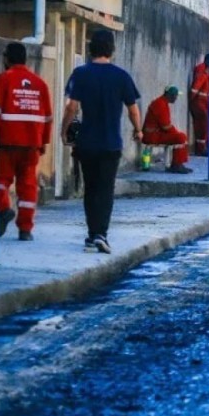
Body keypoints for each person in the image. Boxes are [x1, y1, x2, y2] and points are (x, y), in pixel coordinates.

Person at [60, 29, 143, 255]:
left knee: (90, 188)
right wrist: (138, 130)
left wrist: (64, 128)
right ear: (112, 50)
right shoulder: (121, 76)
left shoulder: (81, 73)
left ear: (90, 48)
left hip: (86, 143)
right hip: (111, 144)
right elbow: (133, 110)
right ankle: (101, 234)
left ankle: (91, 234)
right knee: (105, 190)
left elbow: (71, 107)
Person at [0, 42, 52, 241]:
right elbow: (48, 118)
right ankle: (25, 230)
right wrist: (43, 142)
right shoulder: (40, 83)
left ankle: (3, 209)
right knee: (28, 187)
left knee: (0, 181)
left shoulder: (3, 80)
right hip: (32, 145)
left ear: (7, 59)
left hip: (8, 143)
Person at [143, 86, 193, 174]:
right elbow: (166, 126)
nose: (176, 98)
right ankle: (177, 165)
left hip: (155, 133)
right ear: (171, 95)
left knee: (180, 136)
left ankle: (178, 164)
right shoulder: (160, 104)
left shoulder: (161, 102)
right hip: (152, 136)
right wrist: (177, 135)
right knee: (181, 137)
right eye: (176, 96)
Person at [189, 53, 209, 156]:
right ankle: (201, 148)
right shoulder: (203, 72)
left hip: (202, 103)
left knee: (201, 126)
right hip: (199, 103)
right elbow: (196, 87)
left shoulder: (203, 70)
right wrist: (191, 99)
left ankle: (202, 147)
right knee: (203, 126)